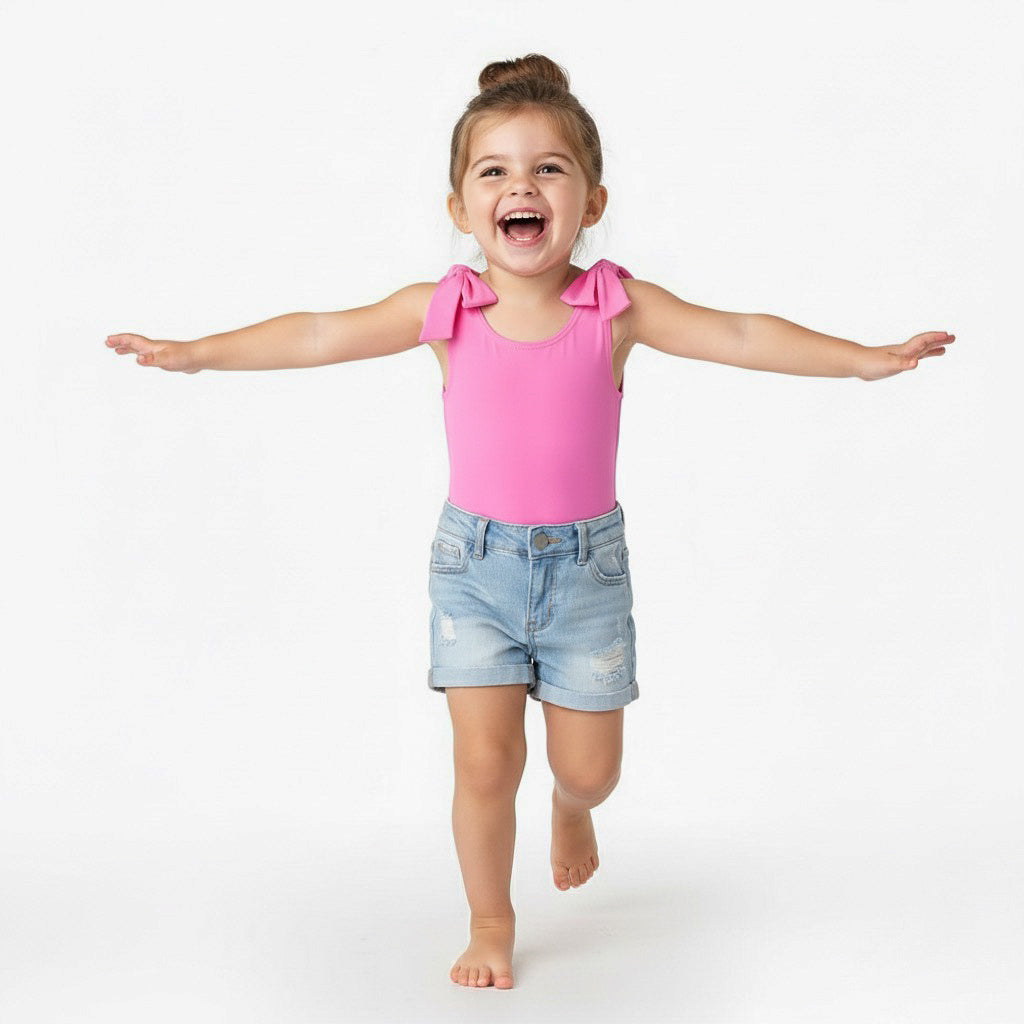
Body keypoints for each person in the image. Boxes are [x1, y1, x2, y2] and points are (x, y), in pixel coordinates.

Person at [104, 53, 955, 991]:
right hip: (476, 568)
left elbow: (744, 333)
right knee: (483, 759)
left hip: (587, 573)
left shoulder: (615, 309)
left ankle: (574, 809)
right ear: (460, 207)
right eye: (495, 170)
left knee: (590, 769)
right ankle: (491, 919)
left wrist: (865, 359)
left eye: (549, 168)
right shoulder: (445, 310)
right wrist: (196, 354)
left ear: (591, 202)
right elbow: (315, 331)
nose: (522, 185)